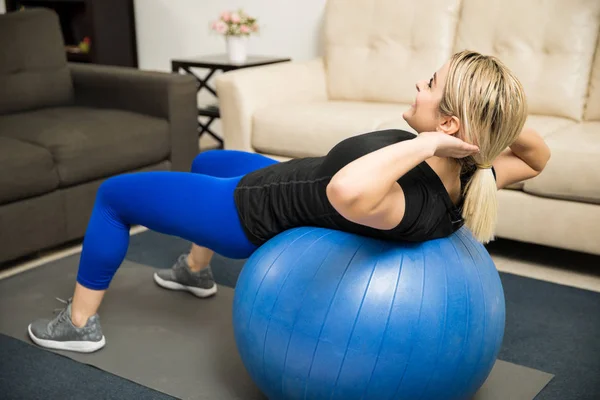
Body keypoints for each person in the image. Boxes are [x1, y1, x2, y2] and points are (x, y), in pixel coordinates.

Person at [28, 50, 550, 353]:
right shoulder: (468, 175)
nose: (419, 83)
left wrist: (428, 140)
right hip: (281, 179)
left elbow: (343, 191)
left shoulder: (406, 201)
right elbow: (536, 158)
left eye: (430, 84)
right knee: (207, 161)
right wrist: (491, 118)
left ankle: (77, 326)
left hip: (245, 213)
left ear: (448, 125)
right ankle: (193, 270)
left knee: (114, 196)